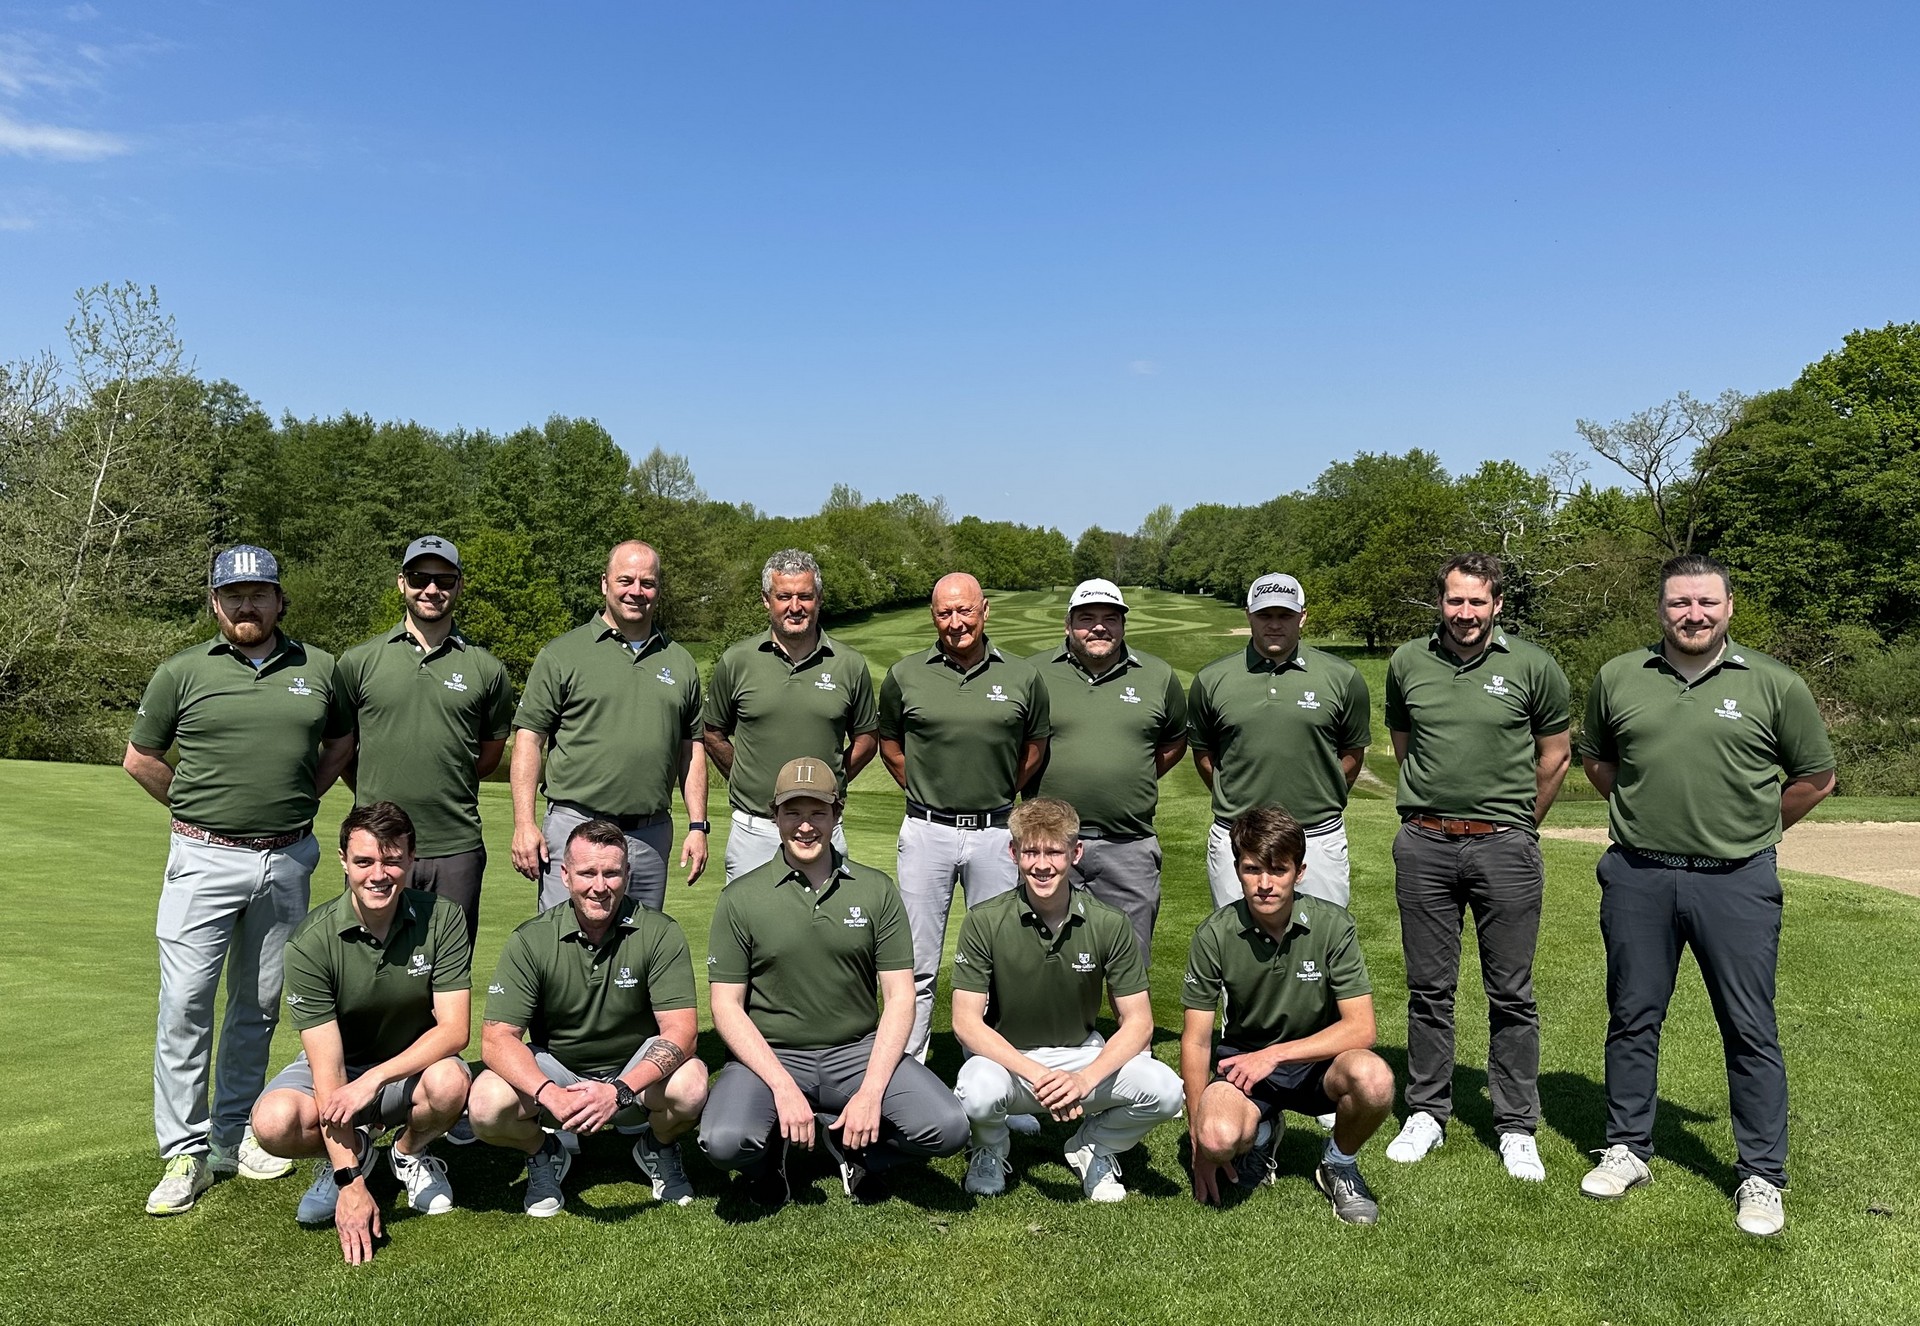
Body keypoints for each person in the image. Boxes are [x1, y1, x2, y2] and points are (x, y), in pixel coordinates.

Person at [1575, 553, 1835, 1237]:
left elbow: (1815, 777)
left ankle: (1762, 1175)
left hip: (1736, 881)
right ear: (1661, 609)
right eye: (1679, 603)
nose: (1693, 615)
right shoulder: (1619, 676)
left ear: (1729, 608)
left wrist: (1751, 830)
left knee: (1749, 1028)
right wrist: (1644, 817)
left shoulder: (1775, 683)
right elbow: (1599, 760)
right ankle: (1627, 1148)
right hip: (1639, 876)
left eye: (1706, 603)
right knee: (1633, 1016)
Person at [124, 544, 354, 1216]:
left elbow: (340, 744)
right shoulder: (182, 670)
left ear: (280, 600)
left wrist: (303, 799)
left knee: (258, 1004)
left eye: (258, 593)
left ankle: (233, 1135)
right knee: (185, 1006)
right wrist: (195, 809)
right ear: (215, 603)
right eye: (233, 595)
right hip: (203, 858)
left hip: (287, 859)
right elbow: (140, 757)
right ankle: (184, 1152)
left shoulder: (320, 669)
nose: (245, 605)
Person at [700, 757, 969, 1205]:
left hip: (856, 1052)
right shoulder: (740, 897)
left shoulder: (876, 890)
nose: (805, 826)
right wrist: (782, 1087)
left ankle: (854, 1147)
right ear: (775, 816)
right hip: (772, 1054)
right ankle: (770, 1158)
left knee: (948, 1128)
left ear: (837, 814)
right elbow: (725, 1006)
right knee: (724, 1142)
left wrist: (871, 1092)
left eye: (818, 812)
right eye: (793, 812)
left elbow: (901, 998)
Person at [1381, 553, 1572, 1182]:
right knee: (1428, 989)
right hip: (1425, 843)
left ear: (1497, 605)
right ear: (1440, 602)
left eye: (1477, 601)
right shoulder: (1408, 663)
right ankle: (1427, 1111)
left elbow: (1555, 755)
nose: (1465, 613)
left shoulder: (1533, 666)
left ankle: (1516, 1124)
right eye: (1455, 600)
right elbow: (1406, 744)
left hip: (1504, 848)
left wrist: (1517, 823)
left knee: (1511, 993)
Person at [250, 803, 473, 1263]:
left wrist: (374, 1080)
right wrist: (349, 1182)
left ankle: (408, 1154)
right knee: (273, 1123)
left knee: (452, 1082)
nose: (379, 875)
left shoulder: (444, 917)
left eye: (392, 861)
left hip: (410, 1068)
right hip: (341, 1069)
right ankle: (357, 1154)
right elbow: (329, 1072)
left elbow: (455, 1030)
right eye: (364, 861)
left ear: (411, 859)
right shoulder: (310, 943)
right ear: (343, 861)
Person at [470, 819, 710, 1216]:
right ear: (565, 876)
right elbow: (496, 1039)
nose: (600, 886)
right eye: (587, 873)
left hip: (633, 1077)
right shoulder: (531, 939)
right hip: (559, 1072)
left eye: (611, 873)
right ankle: (543, 1150)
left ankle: (658, 1146)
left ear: (627, 874)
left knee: (692, 1085)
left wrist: (618, 1092)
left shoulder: (660, 932)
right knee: (485, 1105)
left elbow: (682, 1032)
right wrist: (550, 1094)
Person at [950, 797, 1184, 1202]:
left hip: (1081, 1056)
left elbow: (1139, 1022)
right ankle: (990, 1146)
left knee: (1166, 1090)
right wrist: (1037, 1074)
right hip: (1009, 1060)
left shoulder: (1109, 922)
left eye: (1054, 852)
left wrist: (1083, 1080)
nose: (1042, 865)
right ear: (1014, 853)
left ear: (1075, 853)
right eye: (1031, 852)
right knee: (977, 1092)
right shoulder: (984, 920)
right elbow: (965, 1022)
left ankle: (1094, 1145)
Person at [1180, 805, 1395, 1224]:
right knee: (1217, 1137)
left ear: (1299, 872)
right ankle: (1262, 1129)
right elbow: (1196, 1039)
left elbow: (1362, 1028)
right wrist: (1197, 1138)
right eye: (1251, 869)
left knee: (1375, 1079)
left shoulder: (1333, 926)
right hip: (1245, 1065)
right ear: (1237, 870)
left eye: (1278, 870)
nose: (1264, 884)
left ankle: (1339, 1163)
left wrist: (1275, 1055)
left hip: (1318, 1064)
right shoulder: (1213, 934)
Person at [877, 572, 1050, 1058]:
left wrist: (999, 790)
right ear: (933, 617)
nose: (956, 623)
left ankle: (991, 1069)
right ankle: (907, 1066)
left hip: (996, 833)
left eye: (965, 610)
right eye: (945, 613)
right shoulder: (905, 674)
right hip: (926, 830)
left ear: (985, 610)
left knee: (996, 958)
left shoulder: (1022, 676)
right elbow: (890, 745)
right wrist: (927, 790)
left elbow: (1035, 748)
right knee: (916, 962)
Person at [331, 536, 515, 946]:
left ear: (459, 585)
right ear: (402, 582)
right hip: (376, 846)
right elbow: (343, 751)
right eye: (419, 578)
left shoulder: (486, 669)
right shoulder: (358, 662)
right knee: (369, 962)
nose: (431, 589)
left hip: (456, 847)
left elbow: (488, 756)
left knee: (449, 967)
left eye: (444, 580)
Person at [510, 540, 710, 912]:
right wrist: (524, 823)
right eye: (625, 580)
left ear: (658, 590)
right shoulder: (562, 654)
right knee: (563, 939)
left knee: (640, 942)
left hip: (649, 837)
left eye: (647, 583)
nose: (637, 591)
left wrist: (698, 826)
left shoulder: (680, 662)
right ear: (605, 584)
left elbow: (692, 750)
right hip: (574, 828)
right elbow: (528, 740)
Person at [1027, 579, 1188, 966]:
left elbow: (1173, 743)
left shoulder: (1158, 675)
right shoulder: (1033, 673)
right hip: (1050, 846)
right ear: (1068, 624)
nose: (1099, 627)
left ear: (1123, 625)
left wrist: (1129, 776)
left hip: (1128, 846)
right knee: (1046, 967)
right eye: (1087, 618)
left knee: (1129, 968)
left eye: (1110, 618)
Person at [1188, 573, 1371, 909]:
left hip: (1318, 835)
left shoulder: (1343, 677)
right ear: (1249, 615)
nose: (1274, 624)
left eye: (1285, 615)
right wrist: (1233, 796)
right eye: (1265, 615)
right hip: (1237, 837)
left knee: (1322, 934)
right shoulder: (1211, 679)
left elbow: (1352, 753)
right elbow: (1204, 753)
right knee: (1238, 938)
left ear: (1303, 616)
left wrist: (1321, 794)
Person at [703, 548, 878, 880]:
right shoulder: (736, 661)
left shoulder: (849, 664)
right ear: (766, 600)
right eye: (784, 596)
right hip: (755, 829)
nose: (795, 607)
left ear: (819, 600)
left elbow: (867, 738)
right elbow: (712, 732)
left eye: (805, 597)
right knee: (748, 914)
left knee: (827, 913)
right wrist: (743, 777)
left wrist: (832, 781)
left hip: (824, 829)